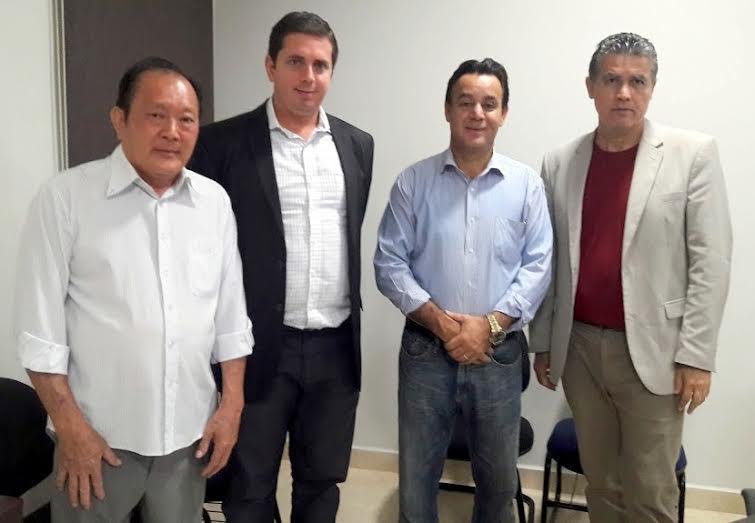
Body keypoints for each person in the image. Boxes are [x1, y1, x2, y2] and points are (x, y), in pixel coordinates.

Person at [13, 56, 252, 522]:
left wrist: (231, 408)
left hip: (188, 434)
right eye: (156, 115)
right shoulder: (65, 199)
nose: (172, 132)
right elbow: (38, 335)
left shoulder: (214, 203)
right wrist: (72, 429)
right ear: (119, 119)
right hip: (98, 438)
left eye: (186, 119)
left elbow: (231, 320)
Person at [529, 32, 732, 522]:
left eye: (637, 81)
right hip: (579, 349)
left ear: (652, 87)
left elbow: (711, 260)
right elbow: (548, 260)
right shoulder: (560, 162)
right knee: (602, 486)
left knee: (650, 493)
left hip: (656, 353)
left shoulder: (692, 154)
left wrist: (697, 356)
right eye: (611, 80)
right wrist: (545, 341)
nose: (624, 92)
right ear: (590, 87)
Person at [188, 11, 374, 523]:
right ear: (270, 66)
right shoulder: (221, 144)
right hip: (257, 348)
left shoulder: (357, 145)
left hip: (336, 349)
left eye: (320, 65)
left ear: (331, 71)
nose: (308, 76)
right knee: (248, 487)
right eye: (295, 62)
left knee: (322, 483)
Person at [374, 58, 552, 523]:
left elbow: (538, 266)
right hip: (426, 352)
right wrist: (445, 325)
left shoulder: (526, 186)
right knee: (417, 483)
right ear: (448, 109)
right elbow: (389, 263)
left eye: (489, 104)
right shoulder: (413, 182)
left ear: (504, 113)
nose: (477, 113)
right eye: (465, 102)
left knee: (498, 487)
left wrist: (488, 327)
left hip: (498, 354)